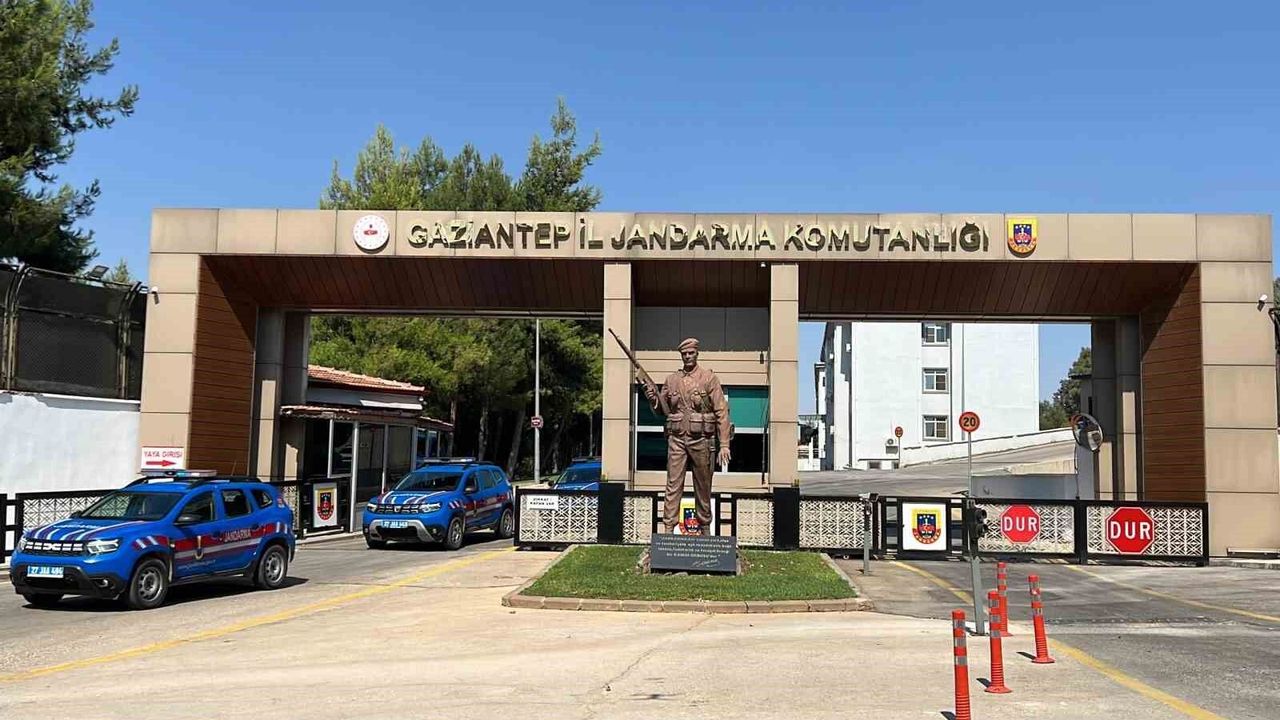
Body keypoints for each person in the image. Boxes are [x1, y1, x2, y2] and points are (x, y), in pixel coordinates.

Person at [643, 337, 731, 534]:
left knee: (703, 486)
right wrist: (652, 398)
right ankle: (668, 529)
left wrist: (724, 444)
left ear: (697, 354)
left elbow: (721, 412)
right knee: (673, 484)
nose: (688, 356)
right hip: (676, 439)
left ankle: (705, 528)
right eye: (684, 354)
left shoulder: (708, 378)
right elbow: (662, 410)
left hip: (702, 440)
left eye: (691, 353)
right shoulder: (671, 380)